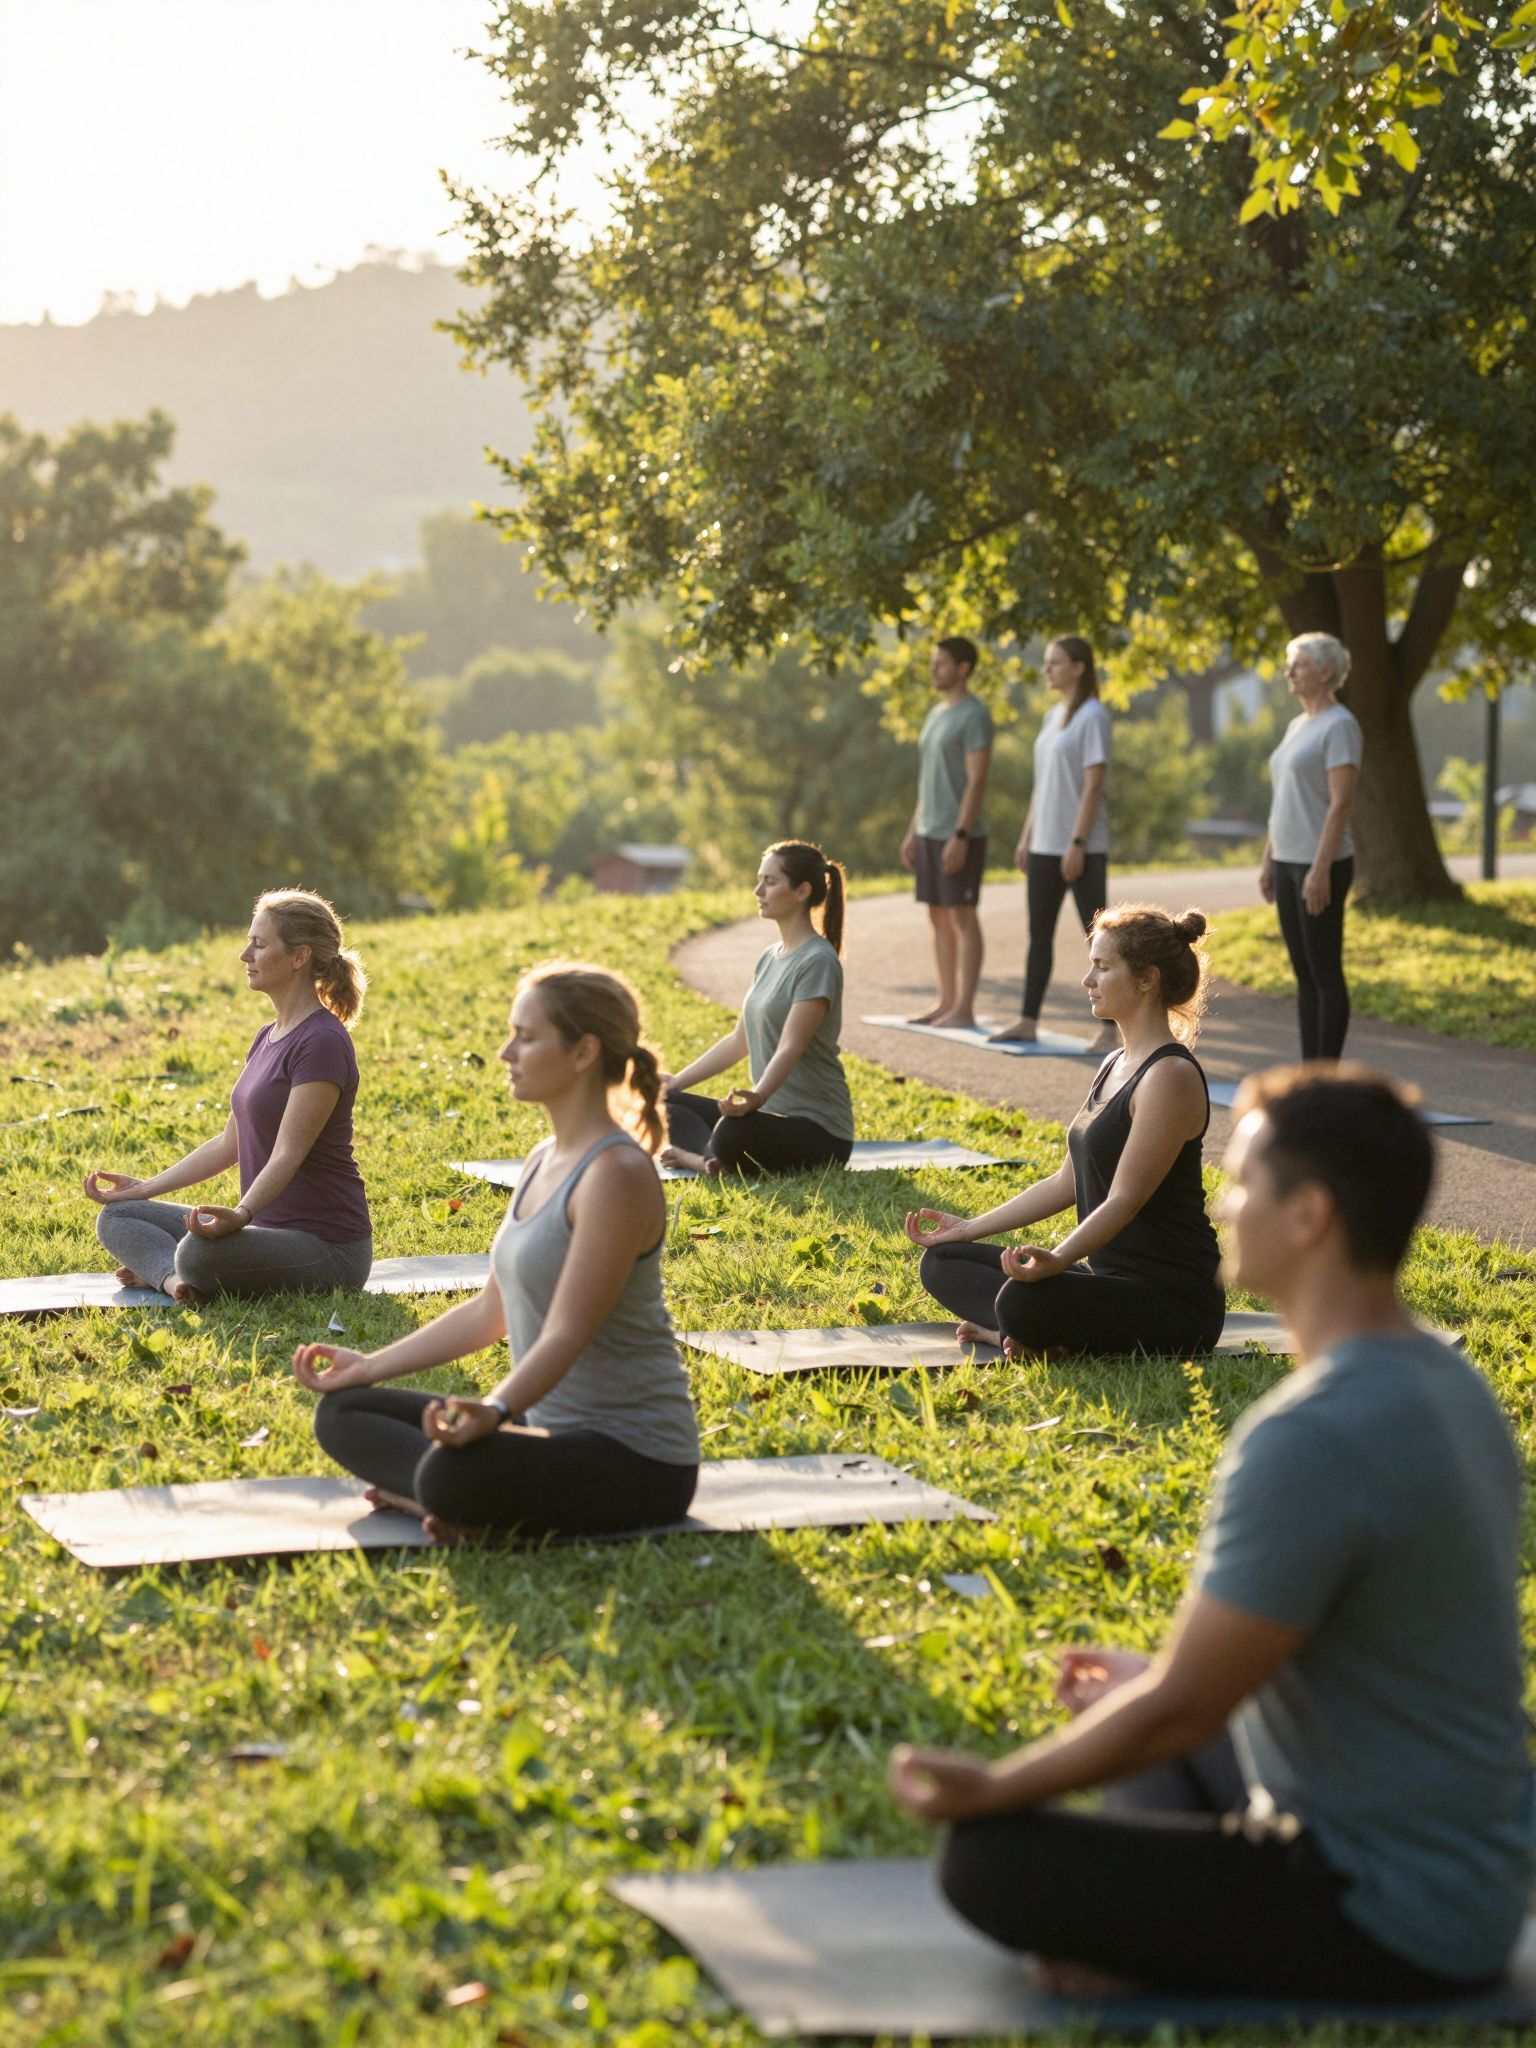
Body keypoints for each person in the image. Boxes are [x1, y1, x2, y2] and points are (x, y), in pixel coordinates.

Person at [890, 1065, 1535, 2002]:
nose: (1224, 1205)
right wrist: (1155, 1687)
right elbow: (1312, 1663)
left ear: (1309, 1215)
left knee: (986, 1859)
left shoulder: (1311, 1435)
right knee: (1144, 1727)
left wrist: (994, 1790)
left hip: (1392, 1913)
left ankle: (1139, 1952)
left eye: (1244, 1183)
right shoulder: (1451, 1385)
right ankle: (1143, 1937)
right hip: (1473, 1878)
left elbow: (1184, 1712)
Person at [294, 962, 699, 1543]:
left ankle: (445, 1499)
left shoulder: (615, 1174)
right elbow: (491, 1311)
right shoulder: (541, 1159)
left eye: (526, 1037)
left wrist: (497, 1410)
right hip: (543, 1429)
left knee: (451, 1473)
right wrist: (369, 1366)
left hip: (636, 1460)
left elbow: (566, 1332)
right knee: (345, 1412)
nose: (506, 1052)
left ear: (584, 1053)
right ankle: (449, 1500)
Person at [906, 905, 1223, 1359]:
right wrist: (968, 1229)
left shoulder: (1169, 1076)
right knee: (943, 1261)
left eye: (1102, 967)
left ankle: (1019, 1331)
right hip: (1107, 1283)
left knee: (1020, 1301)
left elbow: (1124, 1199)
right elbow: (1064, 1182)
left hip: (1172, 1298)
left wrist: (1059, 1259)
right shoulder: (1114, 1063)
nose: (1087, 980)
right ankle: (1032, 1333)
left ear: (1147, 979)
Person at [83, 889, 373, 1303]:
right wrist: (145, 1188)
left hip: (328, 1248)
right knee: (119, 1215)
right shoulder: (267, 1036)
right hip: (264, 1235)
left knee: (198, 1252)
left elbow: (288, 1153)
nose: (244, 955)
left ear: (299, 957)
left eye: (259, 945)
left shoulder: (322, 1041)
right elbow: (227, 1144)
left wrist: (241, 1214)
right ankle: (175, 1282)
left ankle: (170, 1271)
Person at [661, 840, 854, 1178]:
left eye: (770, 882)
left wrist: (759, 1097)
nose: (758, 891)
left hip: (820, 1132)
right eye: (760, 880)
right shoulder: (769, 957)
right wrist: (676, 1083)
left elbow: (791, 1046)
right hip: (767, 1119)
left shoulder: (818, 962)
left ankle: (700, 1159)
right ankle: (714, 1160)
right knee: (663, 1103)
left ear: (802, 891)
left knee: (732, 1133)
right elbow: (740, 1041)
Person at [989, 635, 1116, 1055]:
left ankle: (1111, 1031)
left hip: (1081, 847)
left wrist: (1077, 842)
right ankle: (1028, 1021)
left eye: (1054, 662)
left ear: (1078, 667)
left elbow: (1093, 785)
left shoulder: (1093, 716)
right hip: (1044, 845)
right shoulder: (1051, 716)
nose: (1046, 669)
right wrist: (1028, 836)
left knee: (1102, 943)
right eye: (1046, 662)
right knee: (1038, 935)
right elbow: (1042, 786)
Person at [1259, 632, 1363, 1060]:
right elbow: (1283, 799)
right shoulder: (1297, 726)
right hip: (1286, 861)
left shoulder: (1341, 726)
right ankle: (1310, 1073)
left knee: (1324, 972)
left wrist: (1320, 871)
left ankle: (1327, 1077)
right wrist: (1268, 859)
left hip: (1321, 864)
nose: (1289, 672)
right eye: (1289, 664)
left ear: (1325, 672)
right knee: (1303, 972)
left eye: (1298, 665)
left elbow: (1341, 804)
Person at [899, 636, 994, 1030]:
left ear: (963, 668)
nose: (933, 669)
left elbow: (977, 779)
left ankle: (964, 1009)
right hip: (929, 831)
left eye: (941, 663)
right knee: (937, 917)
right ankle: (946, 1002)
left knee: (962, 916)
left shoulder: (975, 715)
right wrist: (913, 831)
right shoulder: (936, 713)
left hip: (960, 834)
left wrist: (961, 834)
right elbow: (928, 780)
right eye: (933, 662)